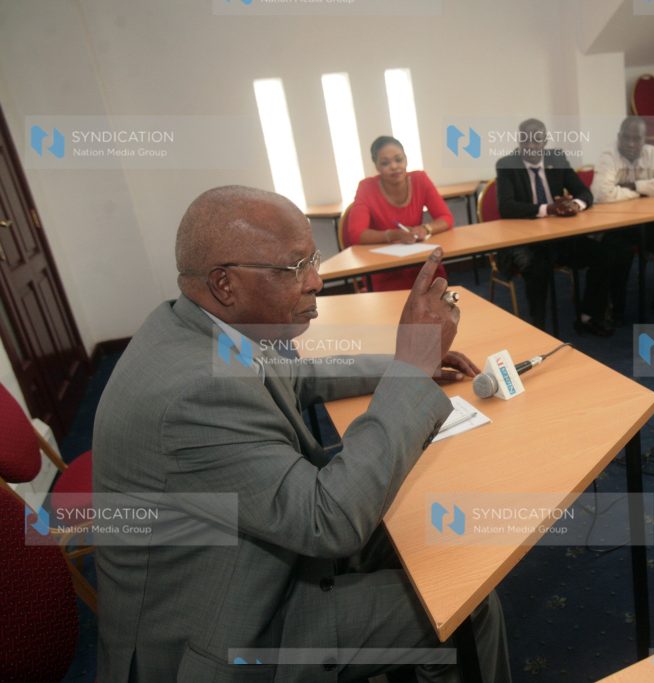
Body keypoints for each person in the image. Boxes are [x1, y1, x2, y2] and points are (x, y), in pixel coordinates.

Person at [93, 186, 511, 682]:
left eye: (312, 259)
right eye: (295, 268)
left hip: (244, 556)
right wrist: (411, 372)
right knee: (463, 606)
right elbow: (328, 522)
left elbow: (298, 375)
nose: (316, 280)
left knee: (430, 542)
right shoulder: (193, 393)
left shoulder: (200, 322)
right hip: (224, 628)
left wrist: (404, 364)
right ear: (225, 284)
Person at [495, 118, 621, 336]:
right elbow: (506, 207)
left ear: (545, 142)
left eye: (537, 141)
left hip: (559, 238)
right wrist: (548, 209)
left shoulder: (557, 159)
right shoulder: (507, 165)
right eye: (526, 141)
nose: (532, 146)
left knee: (603, 255)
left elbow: (585, 193)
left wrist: (575, 205)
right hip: (527, 242)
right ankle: (539, 330)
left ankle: (589, 316)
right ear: (519, 141)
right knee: (537, 268)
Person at [593, 116, 654, 320]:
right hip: (615, 225)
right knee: (619, 249)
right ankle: (616, 307)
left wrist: (635, 186)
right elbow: (602, 194)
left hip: (645, 222)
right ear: (619, 137)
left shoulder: (651, 153)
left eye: (637, 139)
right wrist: (644, 191)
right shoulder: (609, 155)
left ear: (644, 139)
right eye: (627, 138)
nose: (631, 144)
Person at [346, 136, 454, 291]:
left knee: (436, 289)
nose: (394, 166)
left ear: (406, 159)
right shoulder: (366, 187)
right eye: (385, 163)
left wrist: (426, 229)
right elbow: (356, 234)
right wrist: (393, 235)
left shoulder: (420, 179)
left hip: (420, 261)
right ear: (376, 166)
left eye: (399, 159)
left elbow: (446, 218)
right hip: (384, 268)